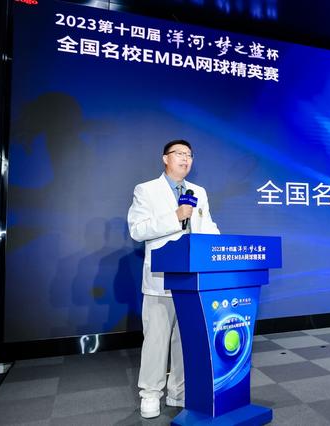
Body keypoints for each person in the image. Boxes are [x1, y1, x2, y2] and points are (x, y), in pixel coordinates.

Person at [127, 139, 220, 418]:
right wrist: (175, 217)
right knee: (156, 341)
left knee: (185, 339)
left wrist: (220, 246)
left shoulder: (198, 191)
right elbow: (137, 230)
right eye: (179, 153)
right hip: (161, 279)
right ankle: (150, 394)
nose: (185, 158)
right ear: (165, 158)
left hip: (192, 280)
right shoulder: (146, 190)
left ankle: (178, 391)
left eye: (189, 154)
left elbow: (207, 226)